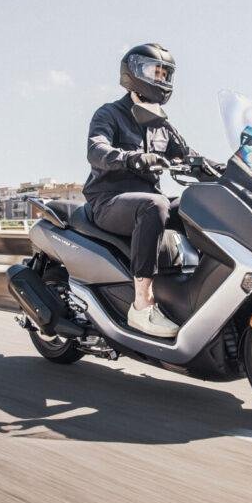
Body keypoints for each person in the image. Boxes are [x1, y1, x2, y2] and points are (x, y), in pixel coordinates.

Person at [83, 43, 200, 338]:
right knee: (155, 205)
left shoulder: (162, 124)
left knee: (195, 205)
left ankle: (196, 293)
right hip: (108, 201)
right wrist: (131, 158)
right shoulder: (110, 113)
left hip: (146, 200)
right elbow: (96, 150)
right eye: (154, 72)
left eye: (165, 73)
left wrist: (226, 167)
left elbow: (188, 156)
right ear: (134, 72)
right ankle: (141, 306)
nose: (161, 79)